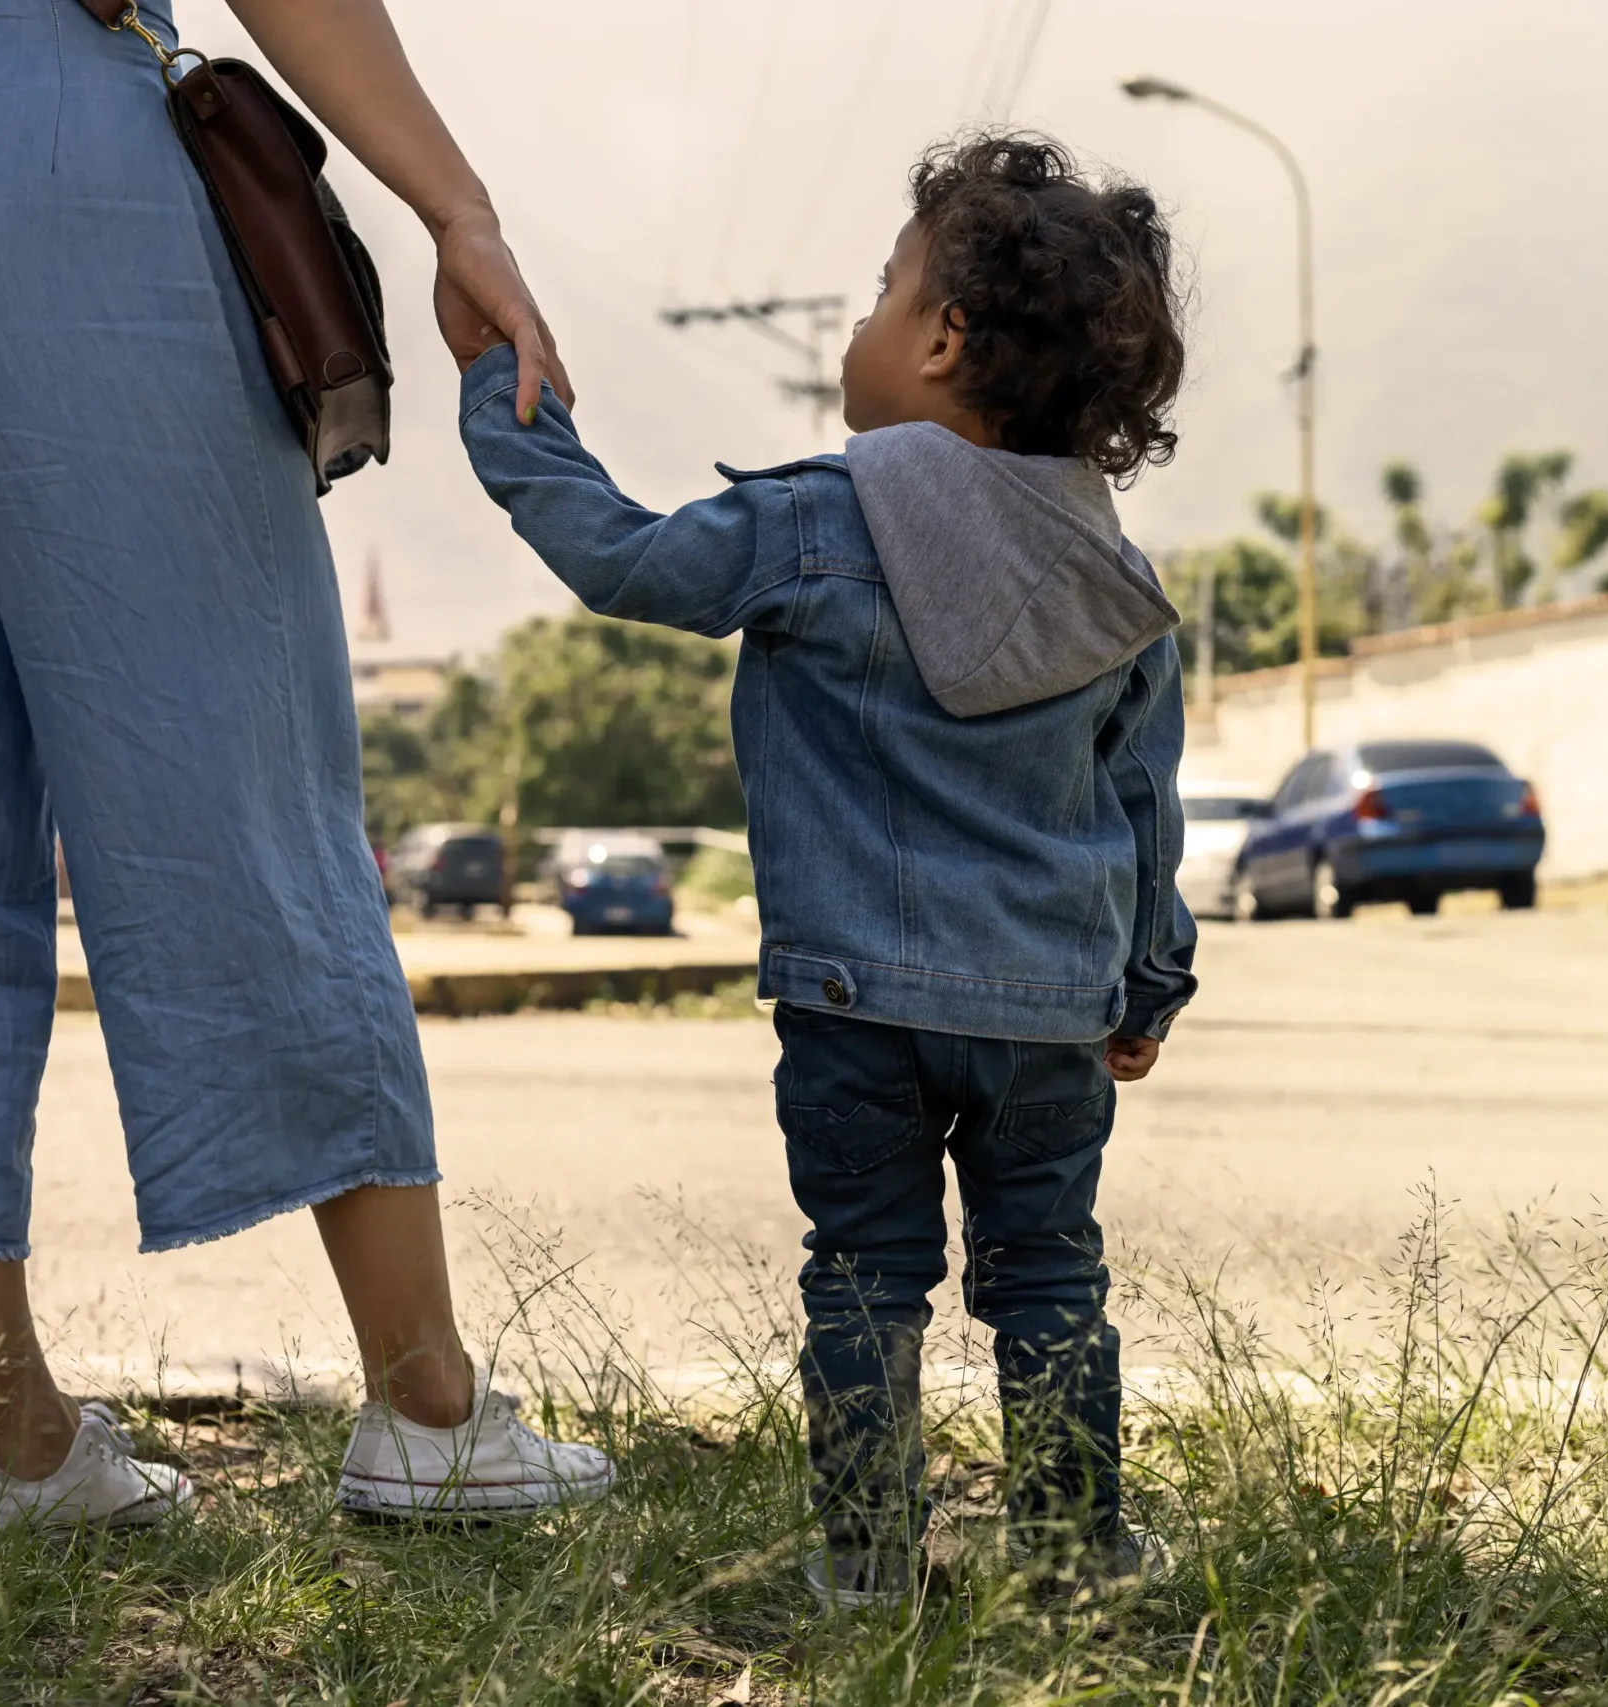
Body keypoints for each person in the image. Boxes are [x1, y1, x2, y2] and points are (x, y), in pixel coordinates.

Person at [0, 0, 609, 1529]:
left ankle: (16, 1445)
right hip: (53, 191)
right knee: (232, 781)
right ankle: (429, 1411)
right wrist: (457, 208)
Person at [460, 132, 1196, 1605]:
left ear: (940, 340)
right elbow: (1139, 810)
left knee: (866, 1277)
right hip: (1050, 1009)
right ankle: (1071, 1550)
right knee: (1049, 1276)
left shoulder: (815, 520)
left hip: (854, 1002)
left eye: (882, 292)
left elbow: (622, 557)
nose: (863, 321)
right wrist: (1147, 983)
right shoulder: (1120, 590)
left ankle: (868, 1567)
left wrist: (506, 393)